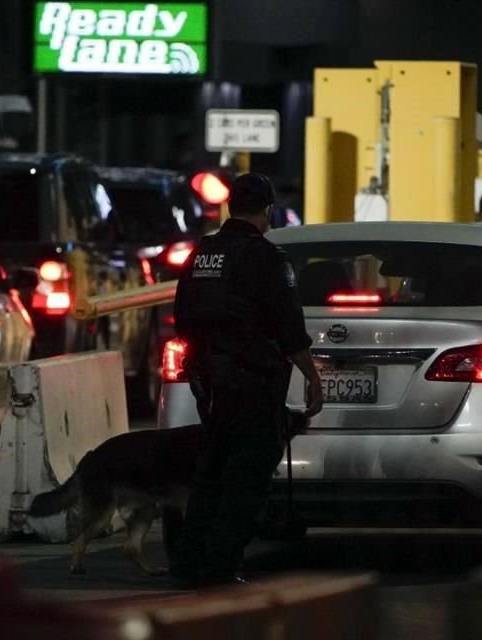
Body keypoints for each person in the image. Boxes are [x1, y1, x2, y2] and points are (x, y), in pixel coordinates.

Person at [171, 172, 324, 587]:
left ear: (229, 205)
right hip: (252, 384)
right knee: (247, 481)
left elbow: (181, 317)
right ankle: (220, 566)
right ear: (268, 210)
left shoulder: (202, 254)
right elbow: (289, 325)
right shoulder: (265, 258)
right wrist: (312, 376)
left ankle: (187, 565)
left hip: (210, 385)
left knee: (209, 476)